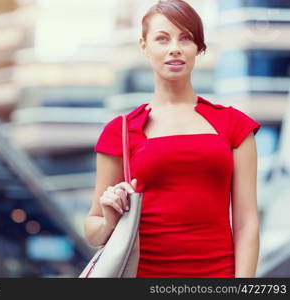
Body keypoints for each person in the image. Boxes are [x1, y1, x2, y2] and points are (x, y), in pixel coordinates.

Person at [83, 0, 261, 278]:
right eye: (162, 39)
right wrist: (109, 217)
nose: (174, 48)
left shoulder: (234, 125)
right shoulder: (120, 130)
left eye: (186, 38)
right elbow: (94, 230)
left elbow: (247, 223)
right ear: (144, 46)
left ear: (198, 48)